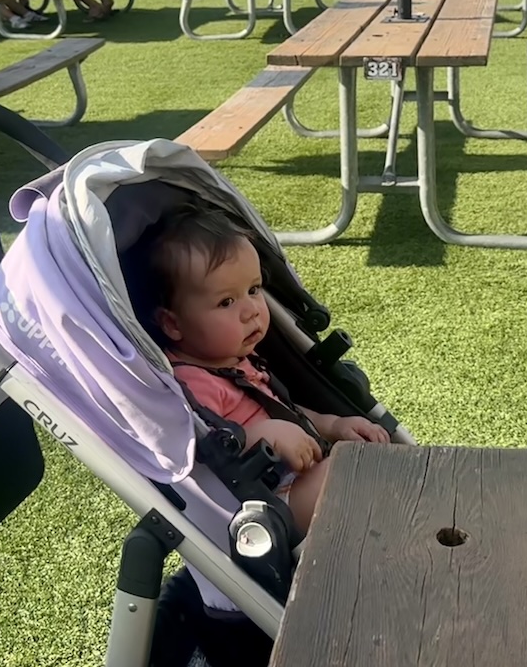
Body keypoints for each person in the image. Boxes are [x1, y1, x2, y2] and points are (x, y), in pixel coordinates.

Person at [129, 203, 388, 533]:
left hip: (307, 476)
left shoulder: (235, 361)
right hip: (276, 506)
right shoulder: (189, 383)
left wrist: (334, 425)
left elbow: (286, 410)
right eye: (226, 301)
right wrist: (263, 435)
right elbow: (201, 455)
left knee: (369, 462)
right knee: (359, 474)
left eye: (253, 290)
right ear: (173, 324)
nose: (251, 310)